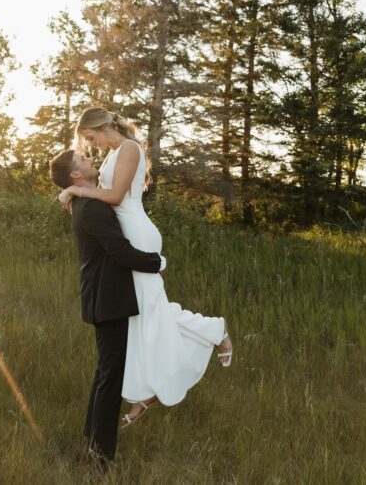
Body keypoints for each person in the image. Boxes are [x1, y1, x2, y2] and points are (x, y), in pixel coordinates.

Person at [57, 107, 233, 428]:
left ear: (102, 127)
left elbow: (114, 195)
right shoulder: (112, 154)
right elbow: (104, 193)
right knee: (146, 316)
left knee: (153, 313)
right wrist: (79, 193)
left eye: (91, 138)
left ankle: (213, 331)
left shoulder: (129, 149)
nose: (91, 145)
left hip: (137, 235)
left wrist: (76, 189)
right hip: (127, 232)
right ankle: (147, 391)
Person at [48, 149, 164, 470]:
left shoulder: (86, 202)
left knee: (106, 374)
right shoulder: (92, 208)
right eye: (84, 160)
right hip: (109, 300)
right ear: (76, 175)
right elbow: (120, 251)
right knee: (111, 379)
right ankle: (99, 462)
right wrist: (157, 263)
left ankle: (91, 445)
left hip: (105, 298)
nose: (91, 160)